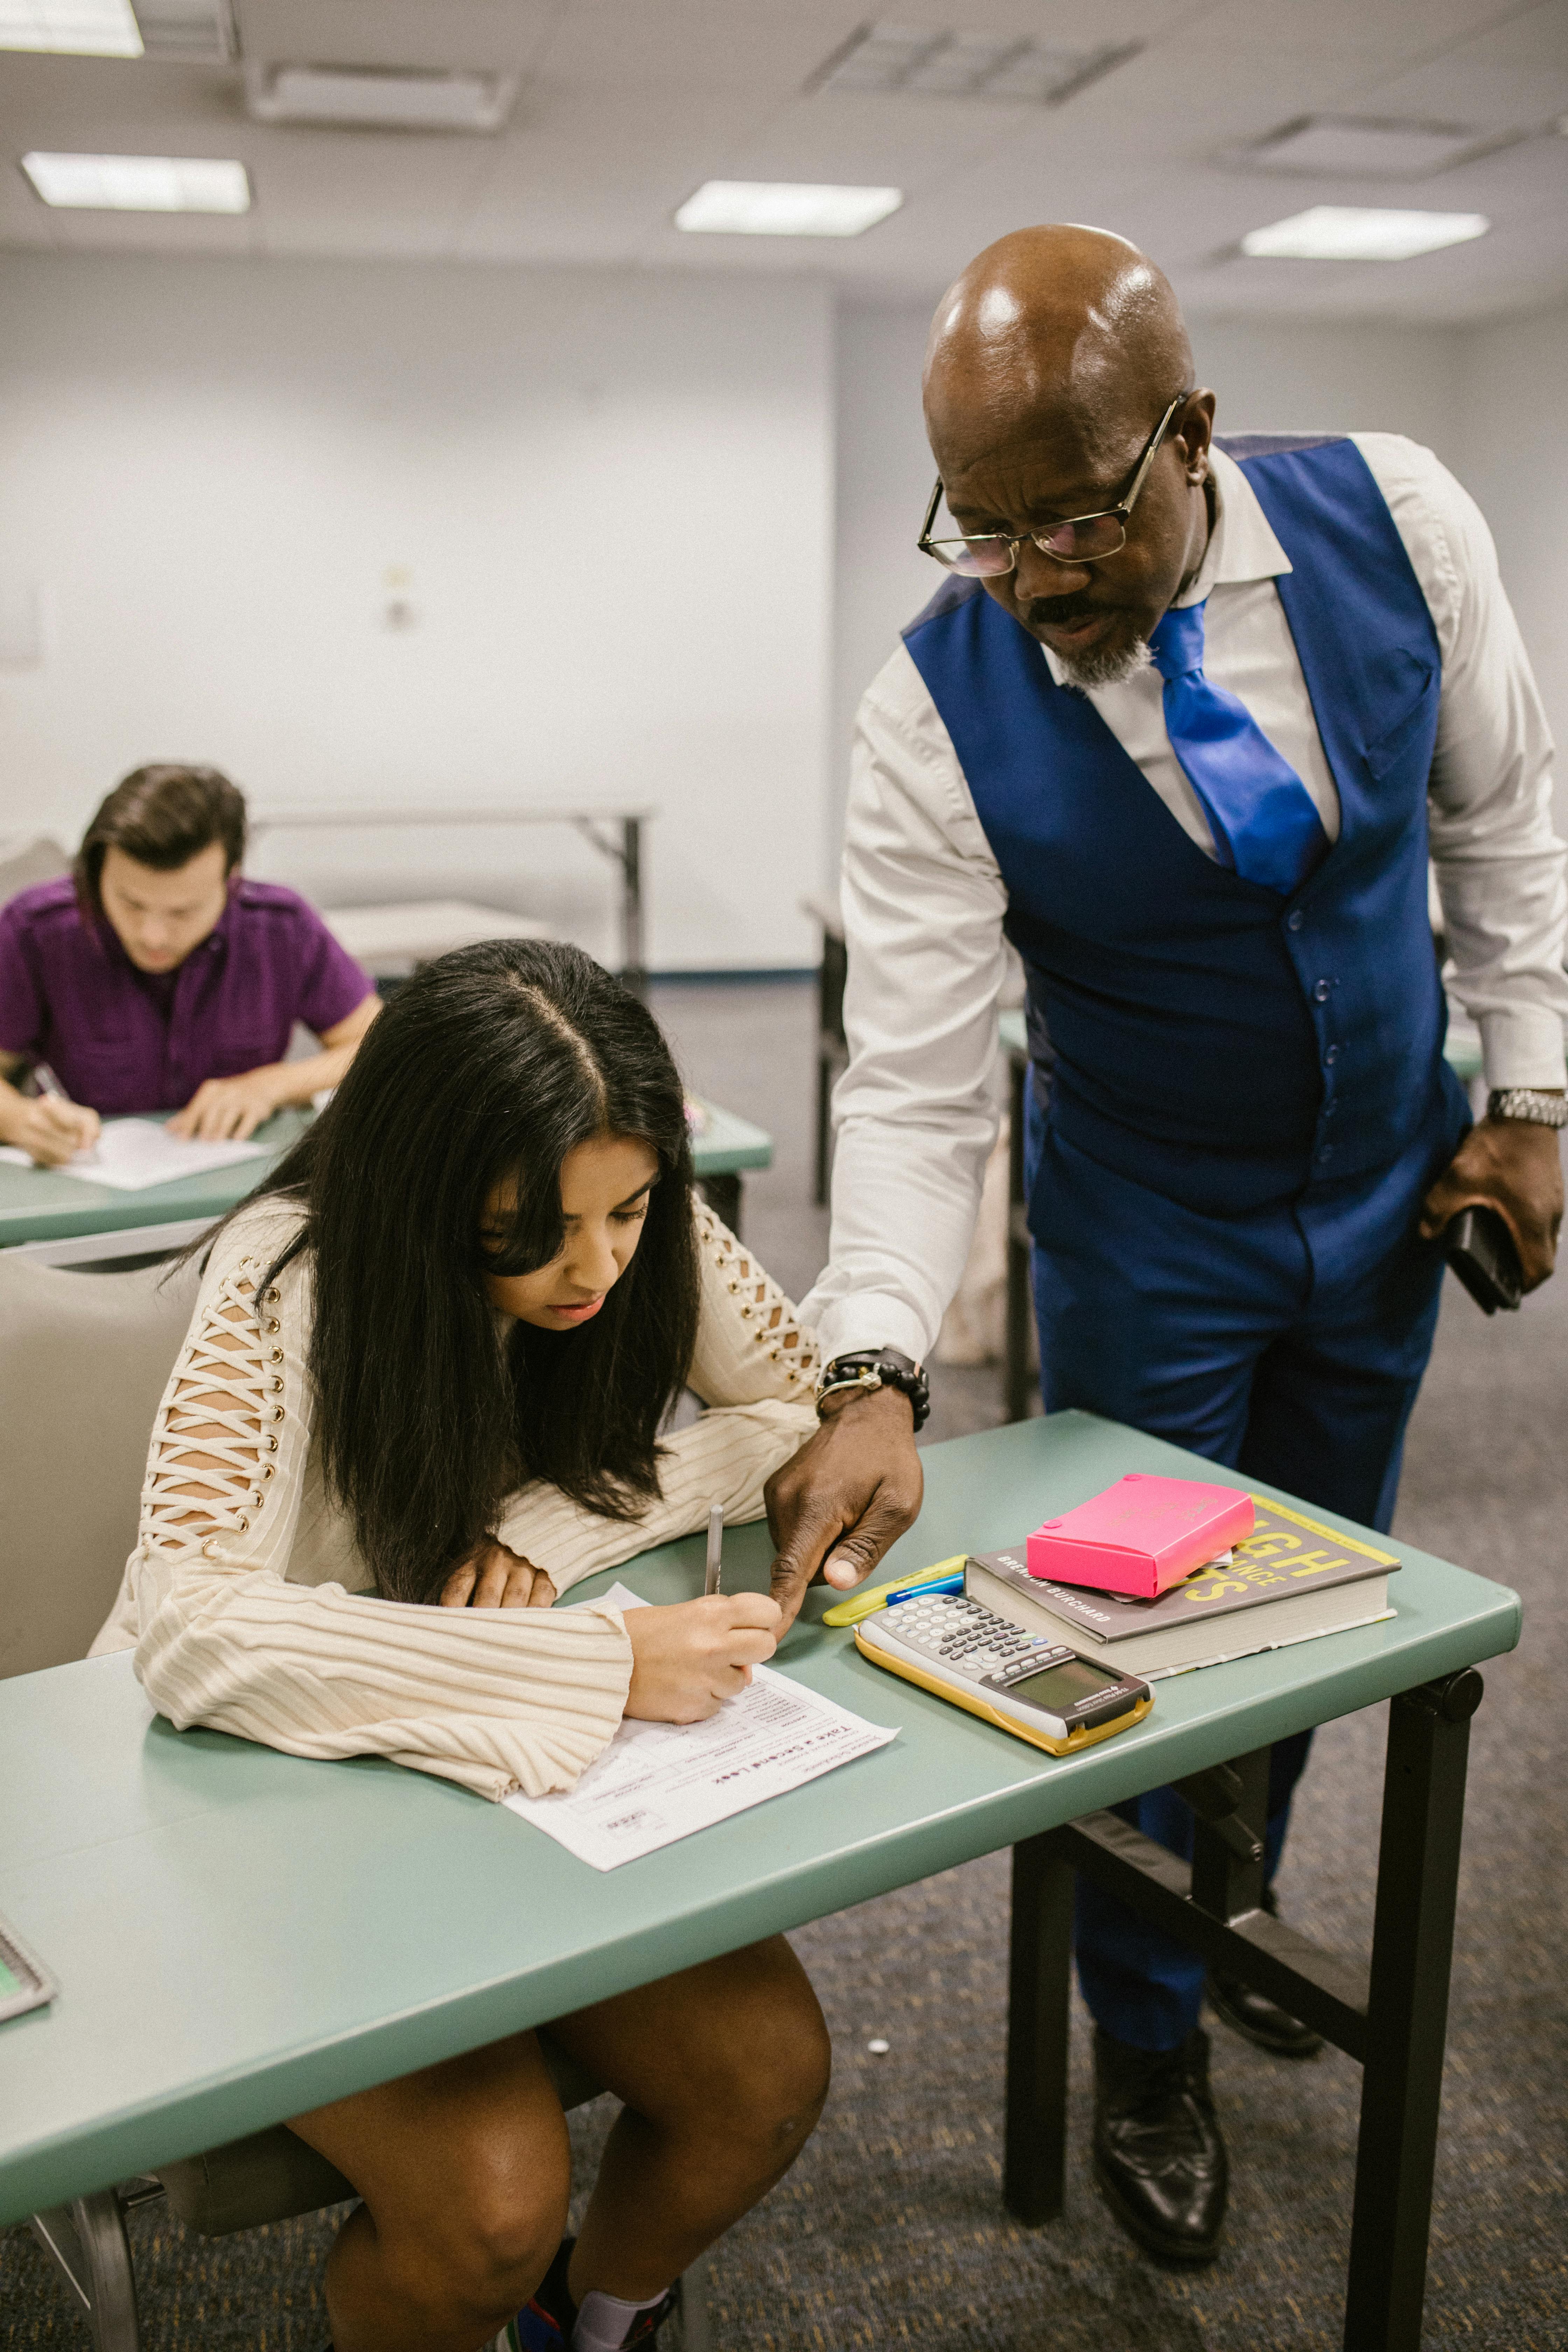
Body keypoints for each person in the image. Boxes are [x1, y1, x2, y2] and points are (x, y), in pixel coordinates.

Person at [765, 225, 1568, 2263]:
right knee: (1129, 1642)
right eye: (983, 529)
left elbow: (1499, 822)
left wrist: (1529, 1097)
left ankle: (1220, 1913)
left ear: (1184, 434)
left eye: (1068, 518)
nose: (1026, 572)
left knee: (1303, 1607)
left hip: (1391, 1200)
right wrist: (871, 1363)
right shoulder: (928, 711)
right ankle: (1141, 2032)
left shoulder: (1398, 518)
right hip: (1141, 1227)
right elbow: (918, 1080)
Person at [91, 938, 830, 2352]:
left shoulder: (612, 1200)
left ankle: (589, 2323)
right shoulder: (281, 1276)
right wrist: (599, 1664)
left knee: (765, 2074)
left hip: (474, 1763)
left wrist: (554, 1527)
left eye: (629, 1214)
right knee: (491, 2201)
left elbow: (798, 1419)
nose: (597, 1267)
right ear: (431, 1185)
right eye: (545, 1230)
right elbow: (187, 1624)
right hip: (254, 1790)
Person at [0, 764, 379, 1164]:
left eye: (183, 912)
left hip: (236, 1181)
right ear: (95, 873)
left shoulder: (281, 927)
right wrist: (20, 1120)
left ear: (231, 881)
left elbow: (372, 1044)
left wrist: (268, 1087)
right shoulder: (36, 931)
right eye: (131, 903)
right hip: (84, 1182)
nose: (153, 935)